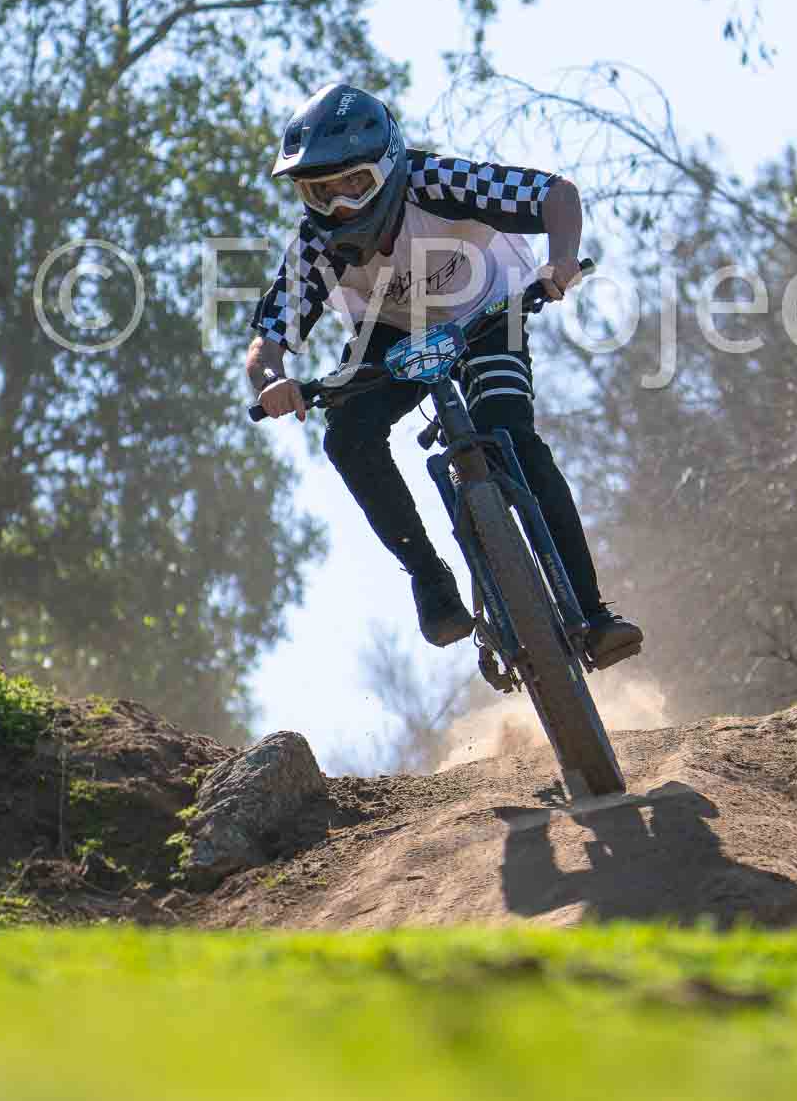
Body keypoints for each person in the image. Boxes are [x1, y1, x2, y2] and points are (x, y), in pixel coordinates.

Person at [246, 83, 643, 666]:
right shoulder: (314, 247)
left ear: (387, 166)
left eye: (352, 184)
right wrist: (273, 382)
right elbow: (268, 341)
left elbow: (556, 194)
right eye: (318, 192)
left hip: (488, 312)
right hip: (393, 332)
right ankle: (430, 579)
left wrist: (560, 255)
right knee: (346, 435)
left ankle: (592, 613)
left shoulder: (437, 182)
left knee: (512, 439)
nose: (339, 207)